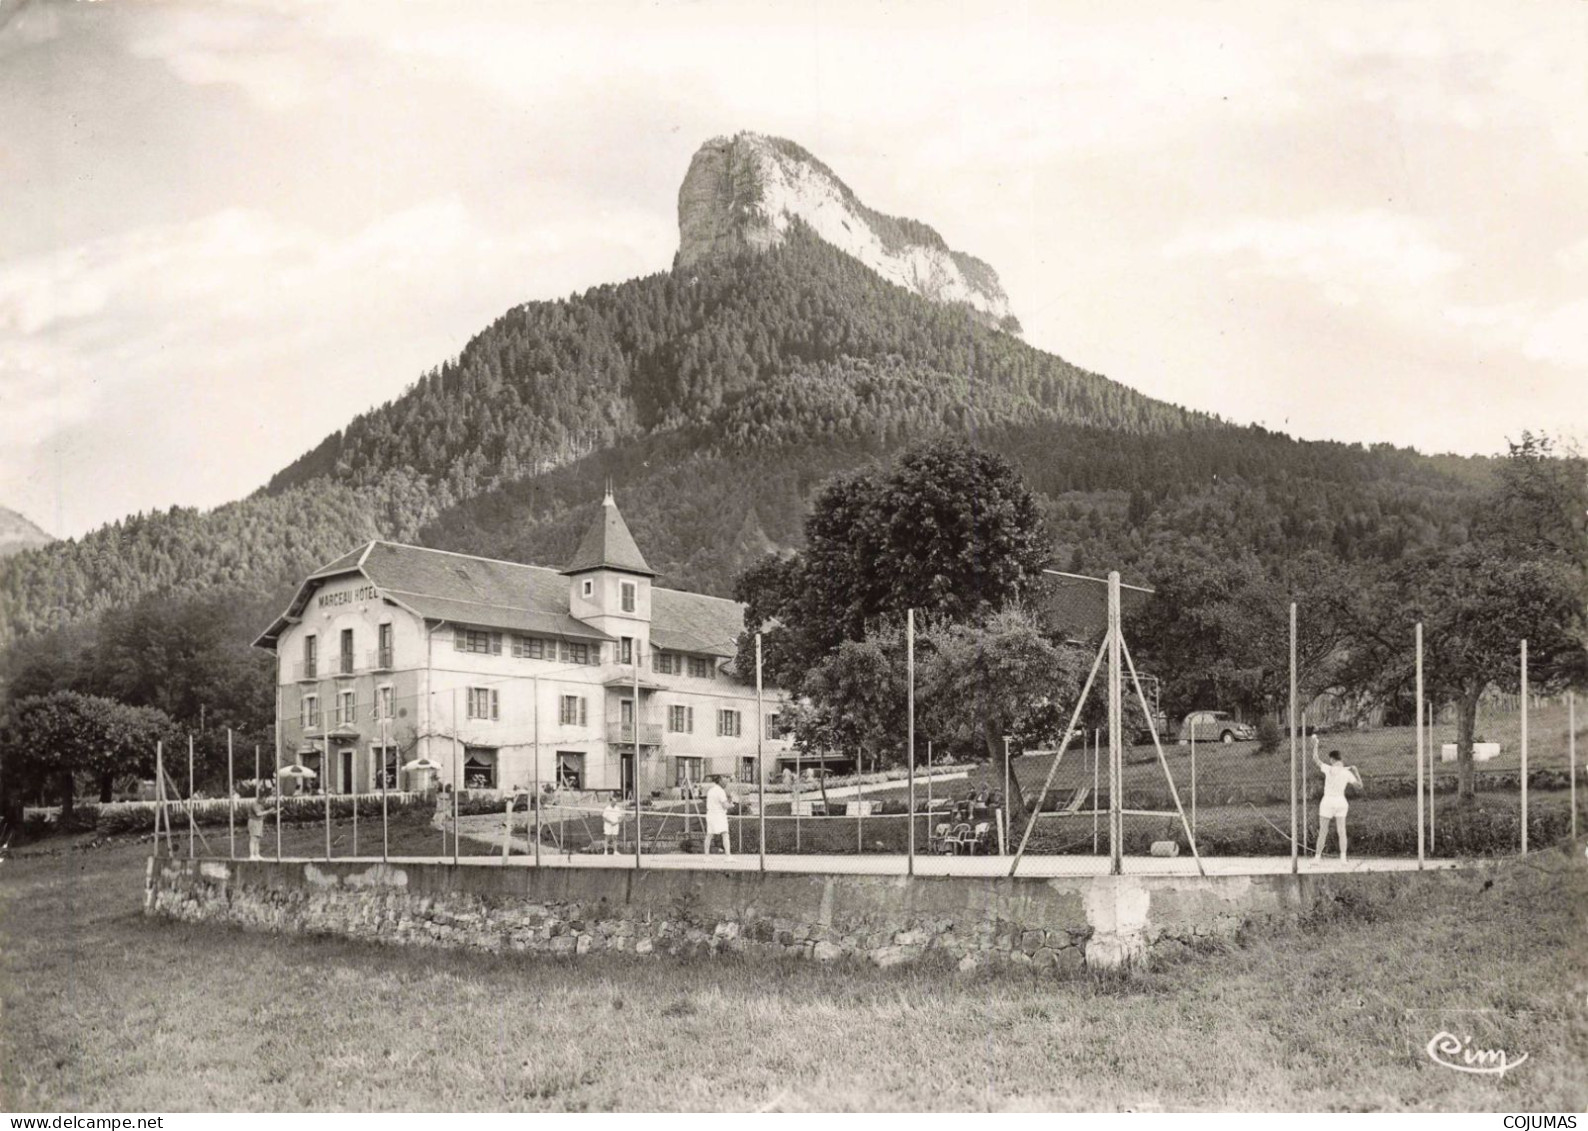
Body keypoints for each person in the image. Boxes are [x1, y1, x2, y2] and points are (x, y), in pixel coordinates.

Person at [1313, 747, 1363, 862]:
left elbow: (1315, 758)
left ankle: (1317, 858)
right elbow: (1360, 786)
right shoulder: (1347, 772)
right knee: (1341, 830)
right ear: (1340, 759)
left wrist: (1315, 744)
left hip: (1327, 802)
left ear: (1332, 759)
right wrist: (1356, 771)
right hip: (1341, 802)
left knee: (1323, 831)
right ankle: (1343, 859)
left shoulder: (1328, 768)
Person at [703, 774, 732, 857]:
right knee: (725, 834)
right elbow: (725, 806)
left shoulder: (711, 790)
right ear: (719, 781)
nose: (726, 782)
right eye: (724, 780)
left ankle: (706, 857)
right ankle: (728, 856)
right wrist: (731, 804)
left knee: (709, 835)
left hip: (710, 815)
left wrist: (728, 802)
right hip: (719, 815)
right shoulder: (721, 791)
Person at [247, 795, 278, 860]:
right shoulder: (254, 804)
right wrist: (268, 811)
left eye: (265, 799)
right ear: (259, 798)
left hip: (259, 822)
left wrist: (275, 811)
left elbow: (264, 813)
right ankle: (251, 855)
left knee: (258, 839)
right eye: (263, 799)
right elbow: (258, 814)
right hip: (254, 822)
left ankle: (257, 854)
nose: (264, 801)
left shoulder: (261, 805)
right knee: (253, 838)